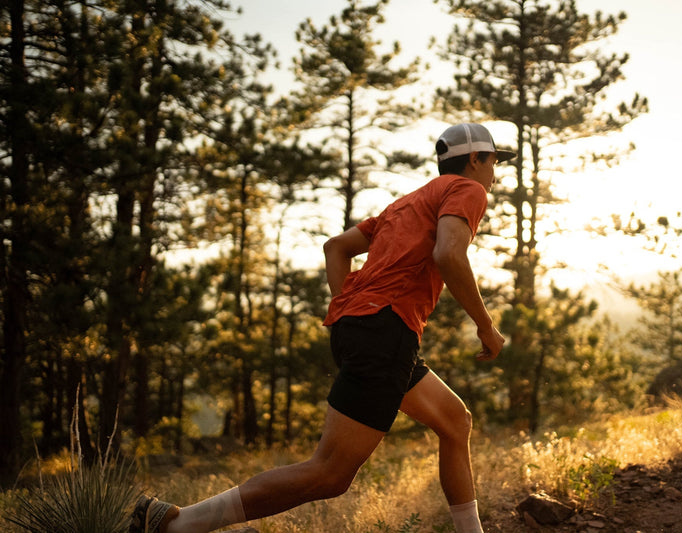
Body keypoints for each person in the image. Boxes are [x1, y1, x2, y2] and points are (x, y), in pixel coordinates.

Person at [129, 123, 515, 533]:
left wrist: (350, 308)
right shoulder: (468, 189)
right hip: (385, 330)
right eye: (493, 162)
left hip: (371, 327)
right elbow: (449, 253)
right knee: (330, 473)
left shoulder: (406, 203)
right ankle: (176, 524)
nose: (494, 174)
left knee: (455, 421)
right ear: (475, 159)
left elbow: (336, 247)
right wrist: (485, 326)